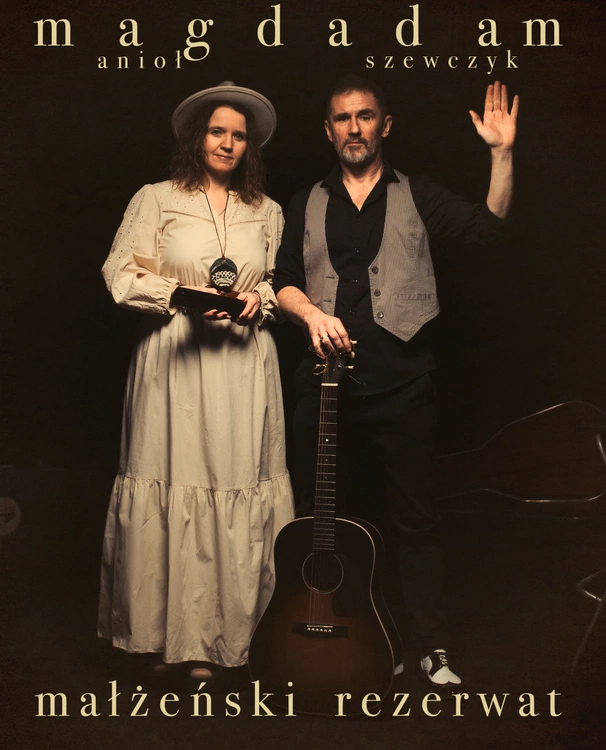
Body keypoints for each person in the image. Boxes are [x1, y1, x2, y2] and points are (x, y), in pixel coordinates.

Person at [273, 75, 518, 687]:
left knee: (415, 520)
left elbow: (489, 228)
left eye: (364, 116)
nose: (353, 128)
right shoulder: (305, 201)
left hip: (403, 385)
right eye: (342, 118)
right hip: (322, 389)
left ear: (385, 125)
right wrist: (310, 315)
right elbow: (283, 282)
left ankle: (430, 647)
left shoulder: (419, 195)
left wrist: (501, 153)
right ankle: (350, 637)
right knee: (321, 520)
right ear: (328, 130)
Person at [98, 81, 294, 682]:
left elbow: (277, 285)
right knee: (171, 479)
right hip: (174, 361)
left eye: (239, 135)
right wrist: (181, 295)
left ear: (249, 146)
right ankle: (166, 640)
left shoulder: (268, 211)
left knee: (235, 483)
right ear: (197, 138)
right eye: (217, 132)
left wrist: (256, 301)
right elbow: (119, 272)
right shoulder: (155, 199)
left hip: (242, 366)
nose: (227, 143)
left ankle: (222, 642)